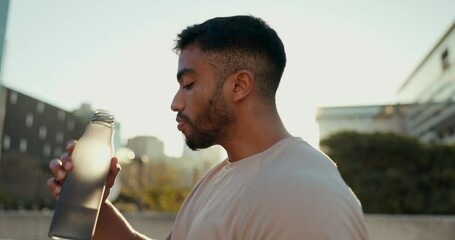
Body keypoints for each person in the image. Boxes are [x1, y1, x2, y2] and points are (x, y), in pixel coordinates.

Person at [47, 15, 369, 239]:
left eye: (188, 84)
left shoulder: (304, 196)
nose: (175, 102)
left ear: (239, 85)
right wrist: (95, 205)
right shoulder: (220, 177)